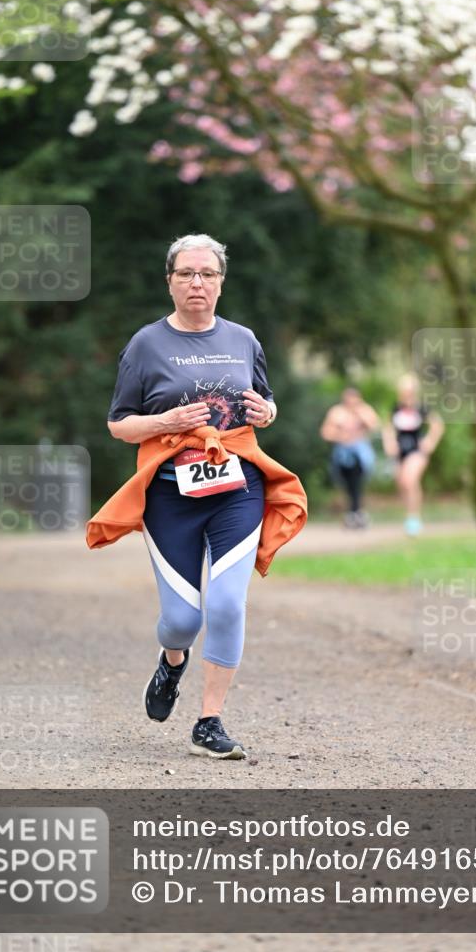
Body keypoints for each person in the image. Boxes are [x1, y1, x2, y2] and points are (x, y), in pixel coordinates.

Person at [89, 234, 307, 760]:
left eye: (207, 274)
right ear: (170, 280)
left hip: (237, 487)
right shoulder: (146, 345)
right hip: (170, 495)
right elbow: (119, 425)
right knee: (183, 621)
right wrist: (164, 422)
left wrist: (266, 414)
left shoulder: (243, 339)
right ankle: (172, 662)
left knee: (229, 604)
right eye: (186, 274)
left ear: (221, 282)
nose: (197, 284)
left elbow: (266, 402)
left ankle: (209, 721)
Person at [381, 373, 444, 535]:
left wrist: (430, 441)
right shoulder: (396, 408)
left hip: (417, 451)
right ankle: (408, 515)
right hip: (401, 451)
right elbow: (387, 428)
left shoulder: (422, 408)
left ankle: (414, 518)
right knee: (401, 482)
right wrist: (389, 443)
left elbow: (437, 425)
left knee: (410, 480)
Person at [320, 387, 380, 528]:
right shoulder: (337, 412)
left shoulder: (364, 410)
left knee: (357, 482)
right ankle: (354, 512)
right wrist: (341, 436)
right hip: (343, 454)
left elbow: (374, 427)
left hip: (360, 453)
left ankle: (356, 512)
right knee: (347, 483)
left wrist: (359, 416)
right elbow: (325, 432)